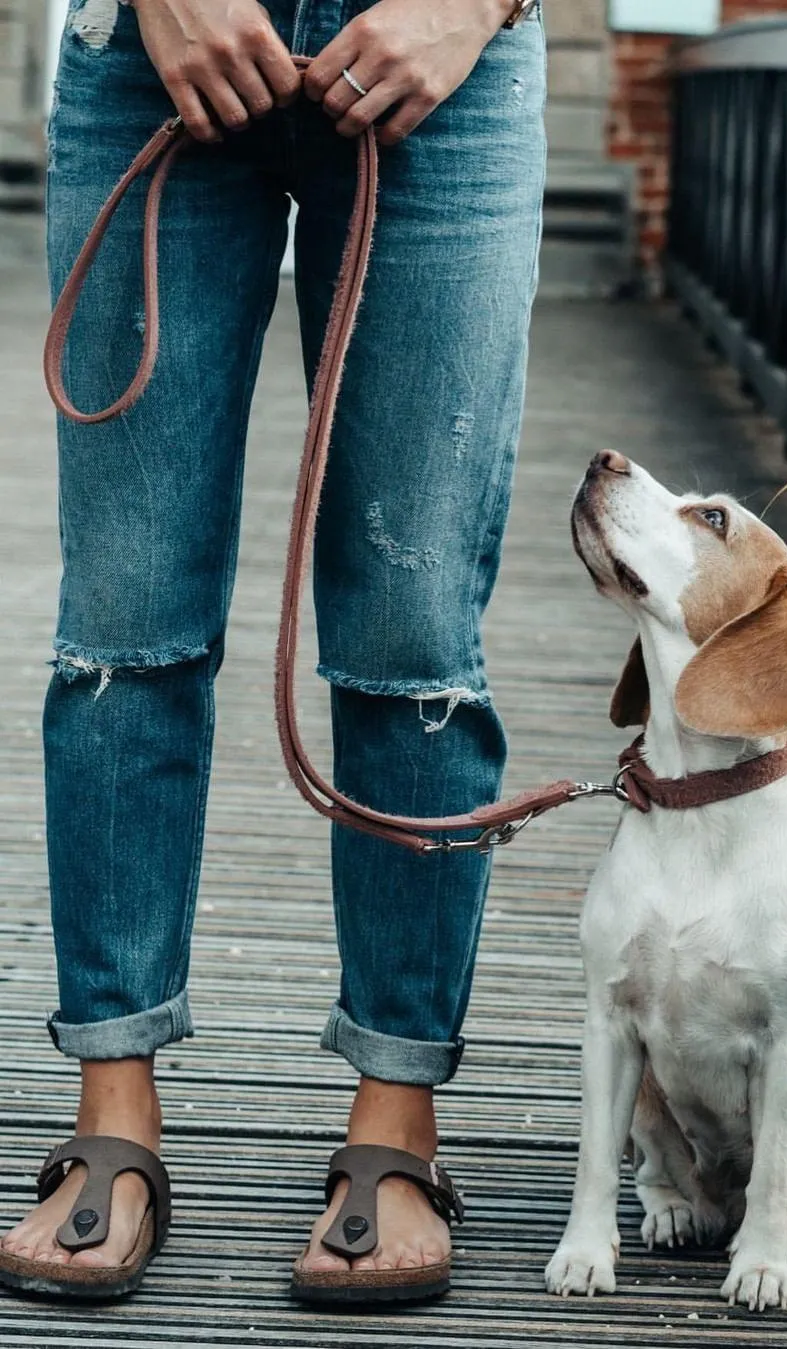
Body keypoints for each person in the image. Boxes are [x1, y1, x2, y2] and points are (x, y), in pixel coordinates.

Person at [0, 0, 545, 1305]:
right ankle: (113, 1115)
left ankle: (395, 1121)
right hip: (153, 52)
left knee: (415, 627)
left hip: (443, 58)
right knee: (124, 623)